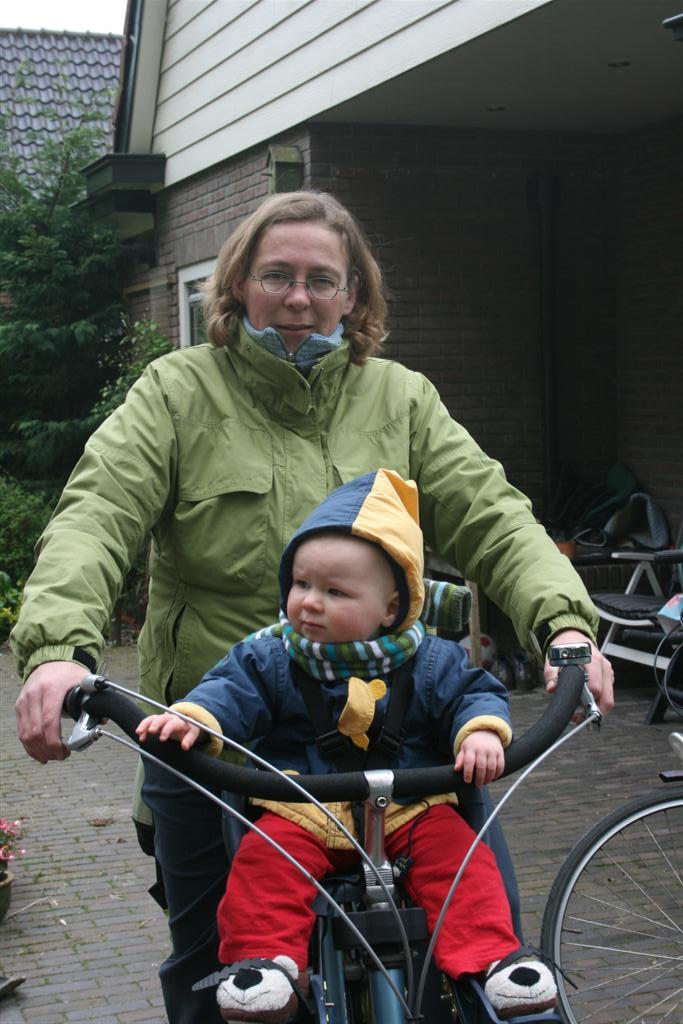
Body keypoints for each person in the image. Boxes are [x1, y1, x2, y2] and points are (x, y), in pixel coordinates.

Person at [11, 189, 613, 1022]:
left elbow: (491, 515)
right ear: (237, 285)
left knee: (484, 954)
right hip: (218, 740)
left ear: (352, 294)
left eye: (321, 279)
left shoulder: (399, 398)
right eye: (276, 275)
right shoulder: (176, 393)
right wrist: (59, 653)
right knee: (218, 976)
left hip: (402, 741)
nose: (298, 297)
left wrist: (564, 625)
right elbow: (97, 514)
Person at [136, 469, 558, 1022]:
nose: (309, 603)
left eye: (334, 592)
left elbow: (472, 692)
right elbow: (230, 689)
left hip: (408, 807)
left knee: (461, 862)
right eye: (301, 583)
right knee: (264, 865)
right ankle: (265, 965)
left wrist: (479, 732)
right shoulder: (272, 654)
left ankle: (493, 960)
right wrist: (196, 719)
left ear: (390, 608)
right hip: (304, 808)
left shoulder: (430, 658)